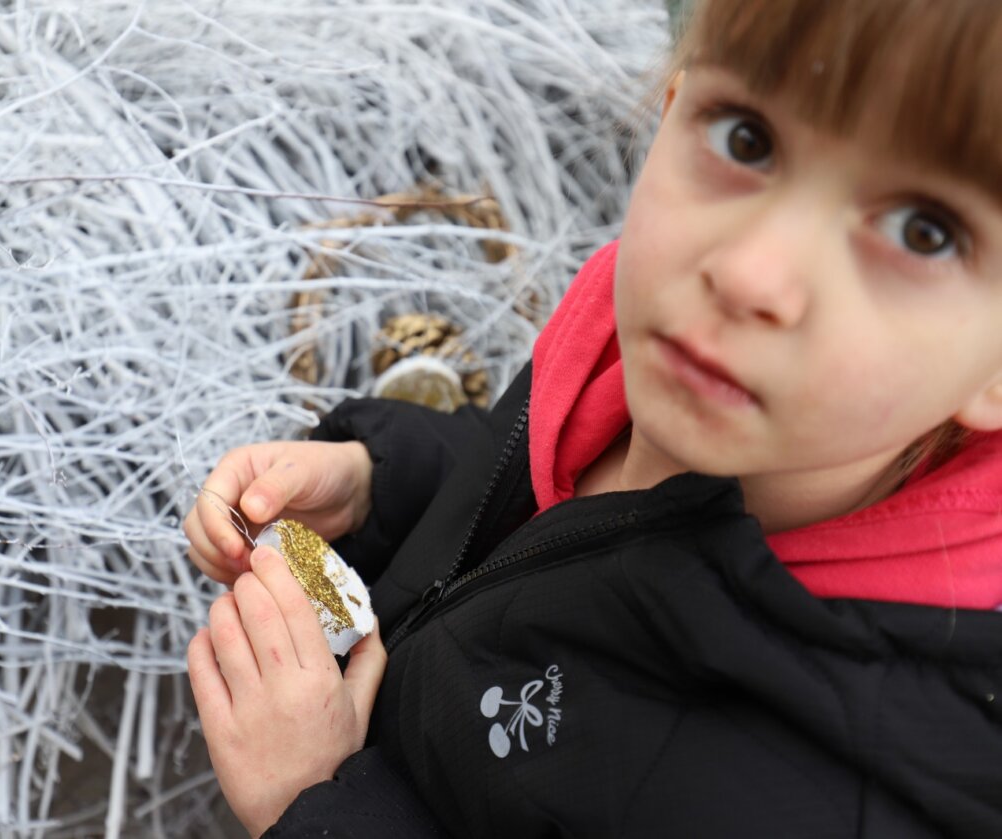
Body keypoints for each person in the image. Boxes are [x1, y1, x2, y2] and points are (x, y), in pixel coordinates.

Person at [183, 0, 1002, 835]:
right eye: (747, 139)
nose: (752, 274)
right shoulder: (617, 361)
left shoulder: (840, 790)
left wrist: (315, 803)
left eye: (923, 232)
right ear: (674, 108)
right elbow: (534, 508)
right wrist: (383, 486)